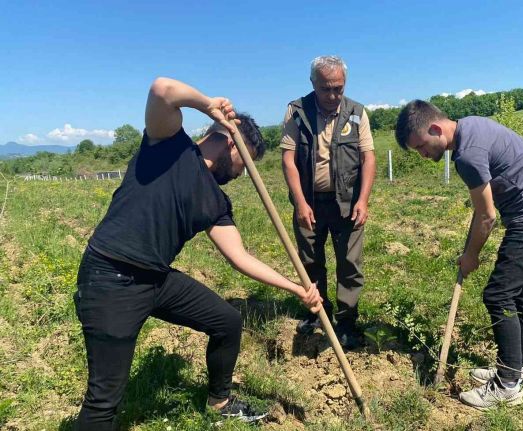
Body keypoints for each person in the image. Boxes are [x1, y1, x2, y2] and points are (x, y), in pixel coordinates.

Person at [73, 77, 322, 429]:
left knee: (227, 322)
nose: (239, 175)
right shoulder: (168, 145)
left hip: (155, 278)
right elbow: (162, 89)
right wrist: (208, 105)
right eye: (243, 165)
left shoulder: (216, 201)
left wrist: (297, 288)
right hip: (110, 278)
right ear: (232, 145)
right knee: (103, 401)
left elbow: (241, 258)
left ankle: (219, 402)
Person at [395, 100, 523, 410]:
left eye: (421, 146)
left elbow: (486, 217)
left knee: (498, 296)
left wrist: (471, 256)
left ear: (435, 128)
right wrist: (468, 249)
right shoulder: (471, 125)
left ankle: (508, 385)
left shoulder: (467, 156)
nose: (423, 154)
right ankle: (515, 369)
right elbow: (481, 210)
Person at [280, 56, 376, 348]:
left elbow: (368, 157)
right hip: (309, 202)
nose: (333, 95)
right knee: (310, 260)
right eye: (326, 89)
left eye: (339, 88)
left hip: (347, 203)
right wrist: (299, 203)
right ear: (313, 84)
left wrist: (363, 199)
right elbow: (288, 158)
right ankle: (317, 312)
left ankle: (347, 321)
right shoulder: (296, 112)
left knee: (349, 262)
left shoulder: (357, 113)